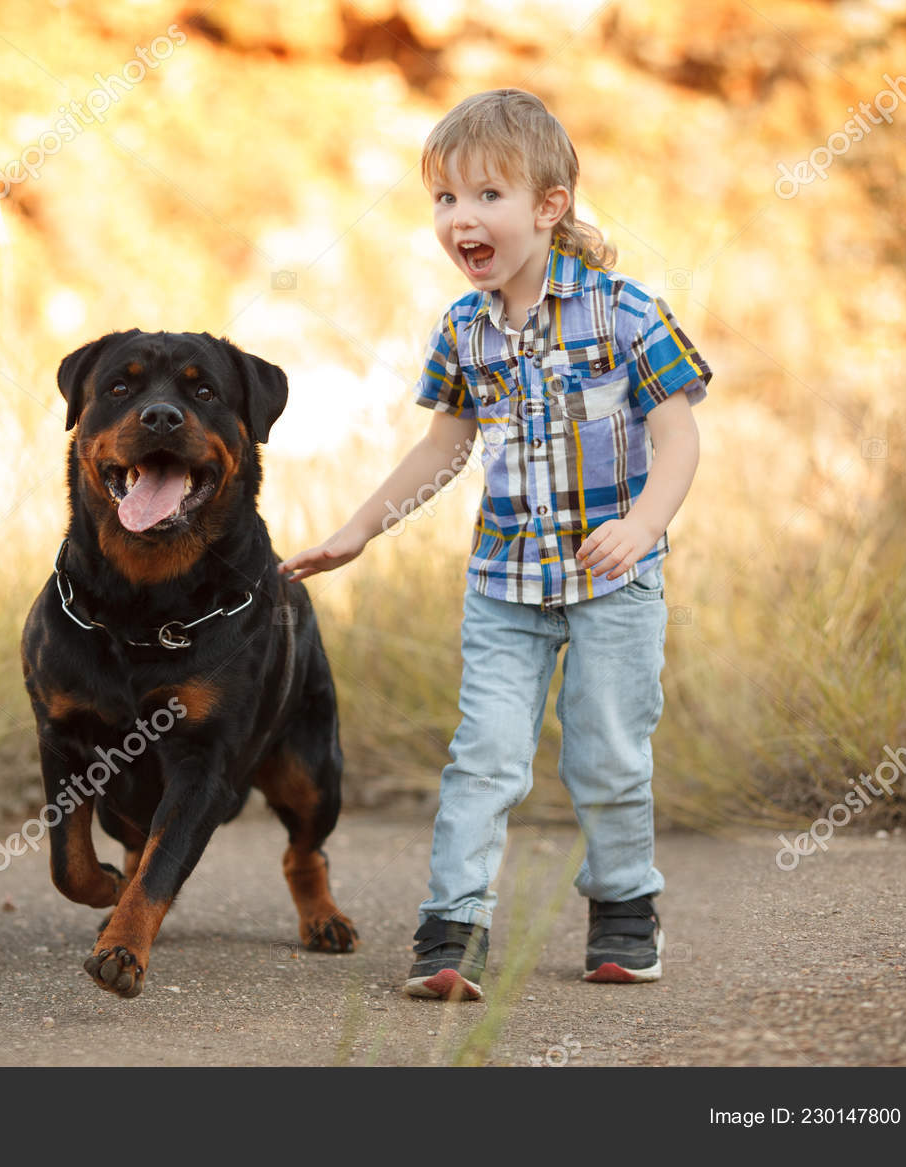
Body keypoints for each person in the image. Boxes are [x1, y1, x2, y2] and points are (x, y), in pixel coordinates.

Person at [278, 88, 711, 1001]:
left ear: (549, 206)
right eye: (444, 200)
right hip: (505, 586)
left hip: (614, 586)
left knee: (607, 756)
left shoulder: (624, 313)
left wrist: (640, 527)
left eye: (486, 197)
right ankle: (453, 929)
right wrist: (356, 531)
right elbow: (443, 446)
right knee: (485, 756)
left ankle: (626, 906)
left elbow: (680, 437)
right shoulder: (464, 330)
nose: (460, 219)